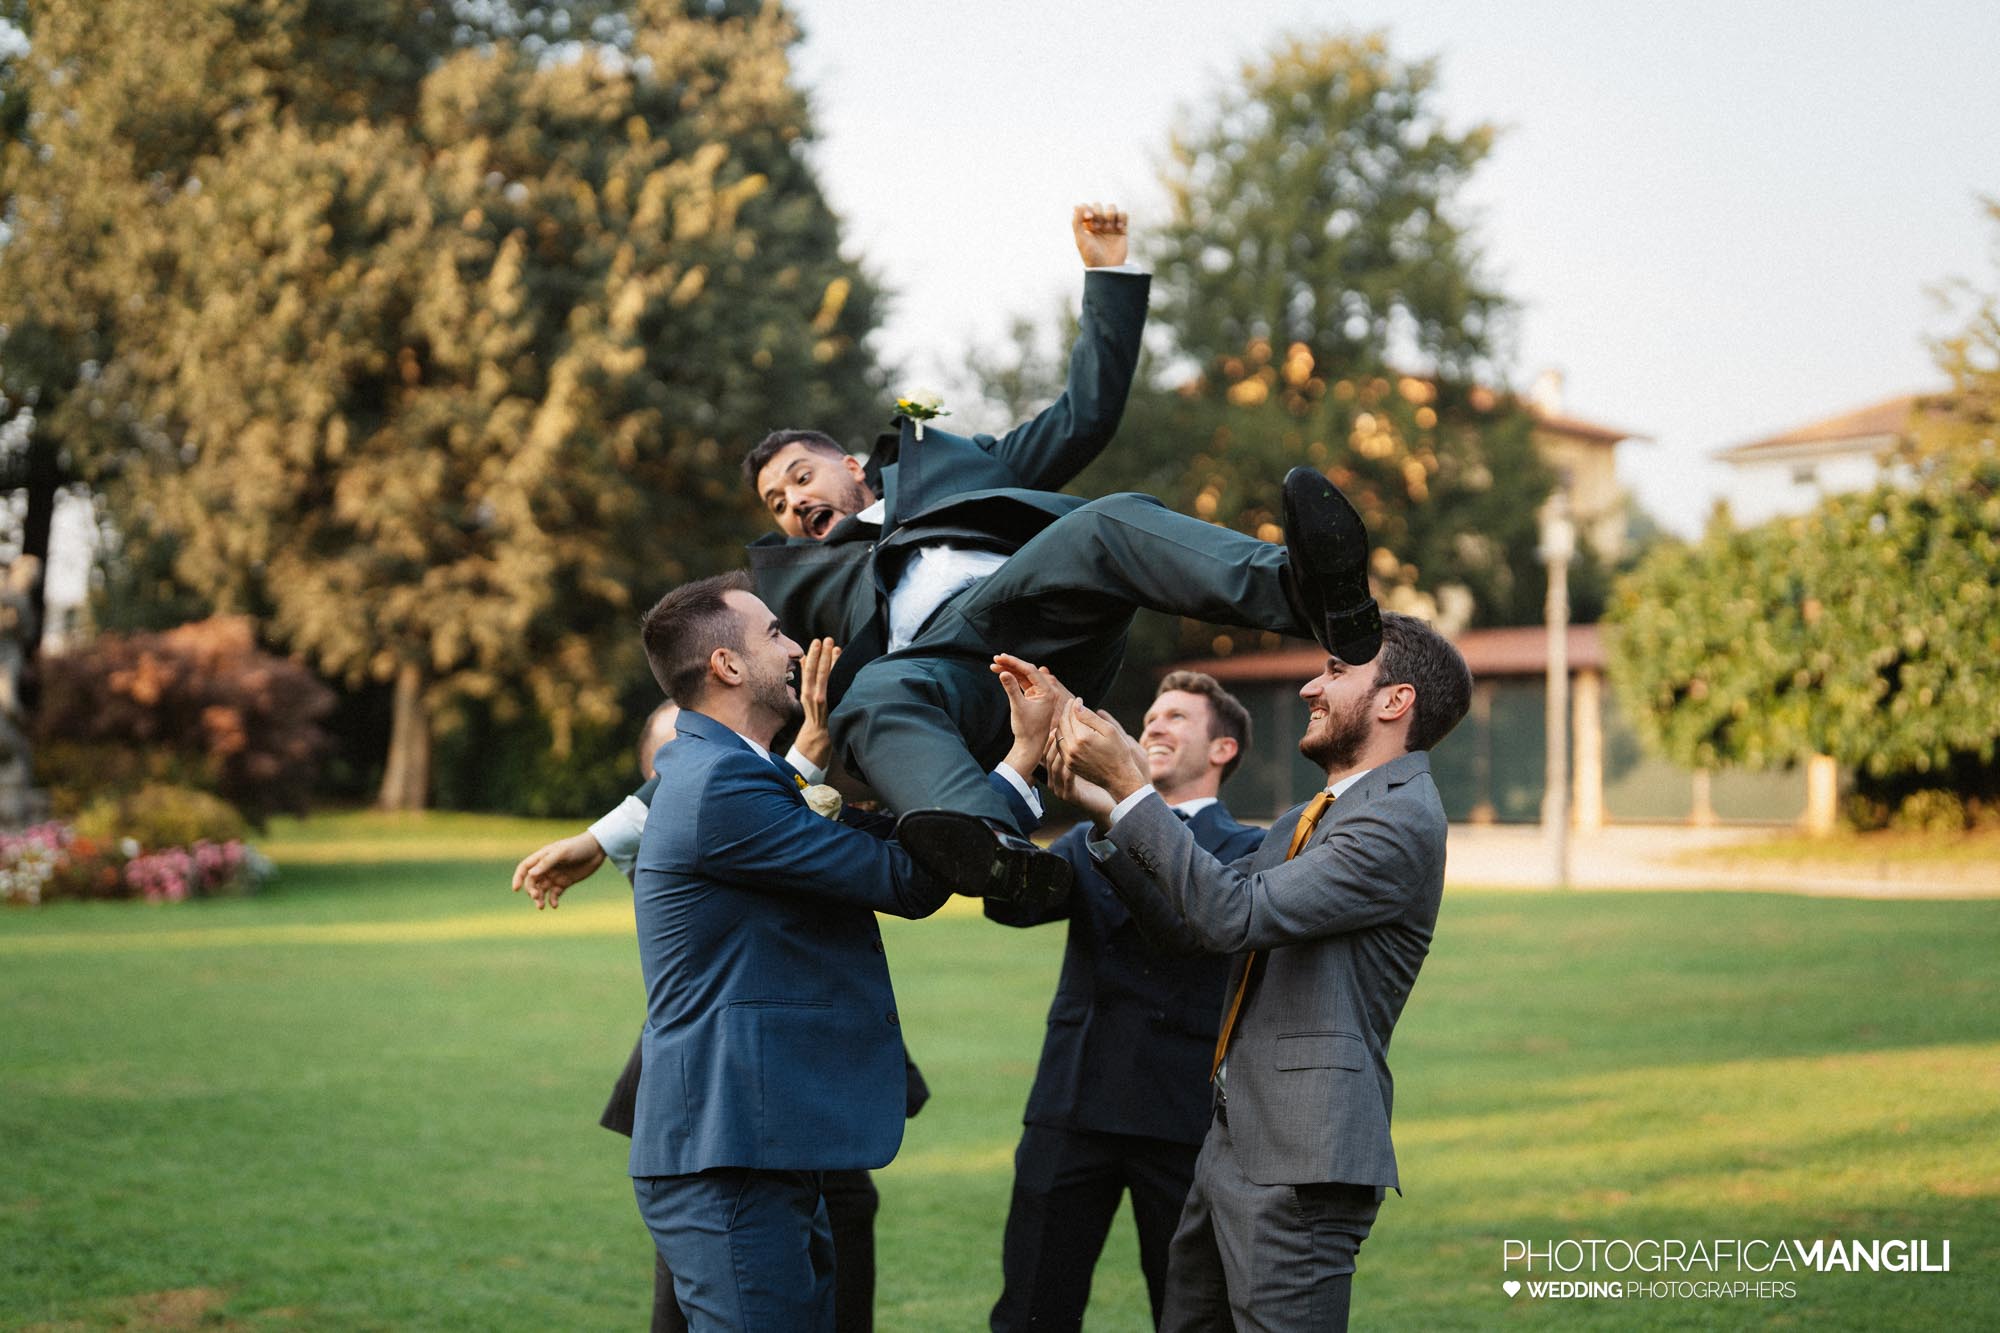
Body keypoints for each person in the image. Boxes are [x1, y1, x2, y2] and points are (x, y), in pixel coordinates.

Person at [623, 571, 1044, 1331]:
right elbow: (906, 878)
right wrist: (1022, 758)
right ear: (726, 666)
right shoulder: (723, 787)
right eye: (777, 633)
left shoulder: (740, 775)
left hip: (764, 1146)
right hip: (728, 1159)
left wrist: (977, 767)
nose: (798, 648)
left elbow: (883, 833)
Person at [1036, 609, 1472, 1333]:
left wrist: (1135, 787)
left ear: (1396, 700)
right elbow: (1189, 926)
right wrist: (1112, 810)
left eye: (1336, 671)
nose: (1310, 685)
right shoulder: (1310, 815)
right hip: (1234, 1143)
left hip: (1303, 1160)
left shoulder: (1397, 820)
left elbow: (1227, 910)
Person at [984, 671, 1265, 1333]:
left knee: (1190, 1312)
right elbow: (1006, 903)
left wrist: (1118, 809)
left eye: (1177, 718)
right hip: (1070, 1105)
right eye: (1151, 717)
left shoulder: (1249, 846)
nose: (1154, 726)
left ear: (1223, 750)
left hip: (1179, 1115)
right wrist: (1023, 772)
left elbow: (1192, 928)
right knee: (1029, 1310)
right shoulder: (1085, 836)